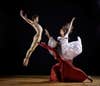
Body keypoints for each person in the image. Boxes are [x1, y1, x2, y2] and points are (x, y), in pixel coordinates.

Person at [38, 17, 93, 82]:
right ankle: (61, 77)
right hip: (62, 55)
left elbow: (69, 29)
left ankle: (86, 77)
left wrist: (72, 21)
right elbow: (53, 42)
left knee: (73, 69)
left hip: (67, 52)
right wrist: (48, 35)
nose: (60, 31)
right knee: (58, 67)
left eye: (61, 30)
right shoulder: (59, 38)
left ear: (64, 32)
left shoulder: (66, 36)